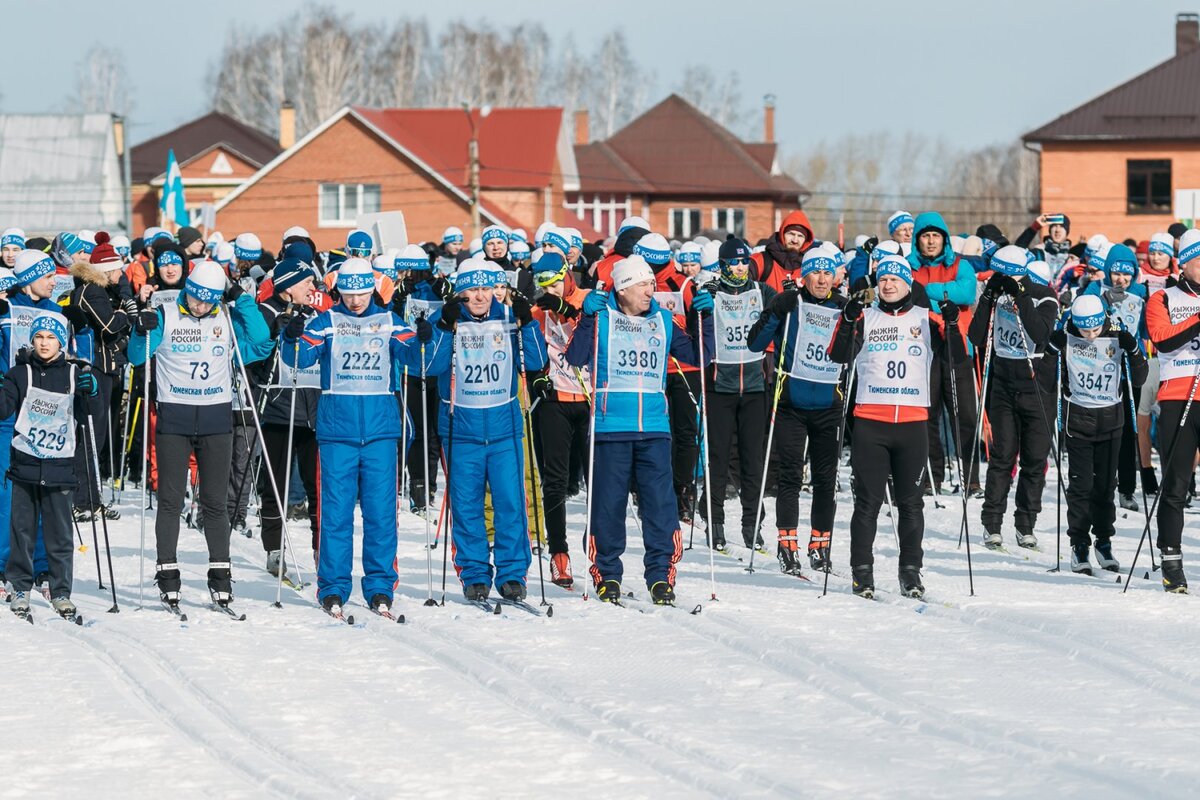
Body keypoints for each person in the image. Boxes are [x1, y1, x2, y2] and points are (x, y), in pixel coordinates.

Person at [564, 254, 714, 605]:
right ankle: (607, 573)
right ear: (624, 287)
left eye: (652, 283)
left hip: (654, 430)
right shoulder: (602, 316)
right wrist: (586, 317)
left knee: (661, 506)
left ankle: (661, 575)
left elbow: (698, 355)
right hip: (609, 427)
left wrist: (702, 318)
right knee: (608, 507)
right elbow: (574, 358)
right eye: (644, 284)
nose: (652, 290)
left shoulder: (663, 319)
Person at [282, 257, 422, 615]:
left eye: (361, 292)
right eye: (348, 293)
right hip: (337, 434)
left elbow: (412, 356)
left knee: (380, 515)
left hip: (379, 433)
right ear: (338, 290)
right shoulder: (326, 322)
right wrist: (290, 336)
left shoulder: (389, 320)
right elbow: (298, 359)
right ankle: (332, 586)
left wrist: (425, 335)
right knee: (336, 514)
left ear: (372, 289)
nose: (356, 300)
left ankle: (379, 586)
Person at [128, 261, 270, 610]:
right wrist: (139, 329)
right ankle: (168, 576)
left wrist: (239, 297)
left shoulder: (226, 318)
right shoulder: (167, 315)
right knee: (171, 501)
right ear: (187, 290)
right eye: (195, 299)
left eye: (208, 301)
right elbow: (136, 356)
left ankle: (220, 577)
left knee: (215, 503)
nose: (200, 307)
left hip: (215, 421)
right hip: (174, 420)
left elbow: (263, 342)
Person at [829, 255, 963, 599]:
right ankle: (862, 572)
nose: (888, 285)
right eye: (883, 279)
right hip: (871, 423)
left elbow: (957, 359)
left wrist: (952, 326)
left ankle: (910, 572)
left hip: (912, 424)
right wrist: (846, 322)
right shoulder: (865, 317)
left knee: (911, 504)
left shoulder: (925, 318)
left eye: (895, 279)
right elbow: (838, 355)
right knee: (867, 504)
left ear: (907, 284)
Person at [425, 258, 547, 602]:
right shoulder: (446, 320)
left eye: (485, 289)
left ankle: (512, 574)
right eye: (471, 290)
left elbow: (536, 361)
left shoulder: (509, 318)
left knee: (511, 503)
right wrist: (444, 329)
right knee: (466, 506)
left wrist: (527, 323)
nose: (479, 297)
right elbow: (431, 367)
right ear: (459, 291)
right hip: (460, 429)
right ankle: (475, 572)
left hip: (504, 428)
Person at [747, 247, 846, 574]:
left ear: (834, 276)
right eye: (815, 272)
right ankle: (786, 544)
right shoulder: (790, 303)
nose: (821, 279)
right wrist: (774, 310)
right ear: (804, 275)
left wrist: (853, 318)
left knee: (825, 479)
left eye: (827, 273)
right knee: (789, 475)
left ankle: (820, 545)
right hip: (791, 403)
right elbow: (755, 343)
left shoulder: (842, 307)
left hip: (828, 407)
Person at [0, 316, 97, 619]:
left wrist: (91, 392)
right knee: (22, 532)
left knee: (59, 535)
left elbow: (87, 416)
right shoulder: (20, 373)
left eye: (50, 337)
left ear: (62, 342)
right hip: (25, 465)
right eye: (39, 336)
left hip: (59, 467)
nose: (44, 342)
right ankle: (19, 587)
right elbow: (5, 409)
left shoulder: (72, 373)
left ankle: (60, 591)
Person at [967, 245, 1059, 549]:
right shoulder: (995, 294)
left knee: (1034, 459)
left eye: (1004, 274)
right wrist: (988, 297)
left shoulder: (1044, 295)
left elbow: (1040, 335)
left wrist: (1019, 295)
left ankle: (1025, 523)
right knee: (1003, 456)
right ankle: (991, 522)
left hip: (1038, 388)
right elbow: (977, 337)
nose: (999, 278)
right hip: (1004, 386)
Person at [1048, 294, 1147, 574]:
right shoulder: (1068, 336)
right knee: (1080, 487)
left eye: (1094, 329)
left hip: (1111, 421)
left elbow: (1138, 378)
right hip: (1078, 420)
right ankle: (1079, 544)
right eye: (1083, 330)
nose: (1090, 336)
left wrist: (1134, 348)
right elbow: (1045, 377)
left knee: (1105, 487)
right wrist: (1051, 348)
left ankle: (1103, 541)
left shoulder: (1115, 335)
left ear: (1102, 320)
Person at [0, 248, 72, 590]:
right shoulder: (7, 309)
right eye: (46, 276)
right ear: (29, 279)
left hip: (47, 418)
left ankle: (42, 565)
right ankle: (5, 563)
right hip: (9, 413)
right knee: (11, 494)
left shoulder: (55, 311)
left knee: (45, 491)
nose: (53, 280)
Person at [699, 238, 775, 552]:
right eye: (734, 262)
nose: (741, 267)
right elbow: (695, 315)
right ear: (723, 264)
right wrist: (701, 305)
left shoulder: (762, 292)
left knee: (752, 458)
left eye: (744, 262)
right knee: (717, 457)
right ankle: (714, 522)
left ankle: (752, 523)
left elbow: (780, 310)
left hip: (755, 385)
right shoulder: (712, 292)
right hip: (721, 385)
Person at [247, 256, 321, 578]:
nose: (313, 287)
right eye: (307, 282)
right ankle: (274, 550)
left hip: (314, 414)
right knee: (274, 485)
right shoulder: (265, 312)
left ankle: (323, 549)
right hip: (278, 410)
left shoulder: (317, 314)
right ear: (289, 284)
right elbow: (255, 362)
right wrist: (279, 333)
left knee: (317, 487)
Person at [907, 211, 980, 497]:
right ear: (917, 240)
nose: (931, 241)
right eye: (925, 235)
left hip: (956, 344)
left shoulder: (960, 265)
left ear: (945, 239)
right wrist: (939, 302)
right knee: (927, 415)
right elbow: (910, 298)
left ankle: (971, 479)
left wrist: (930, 293)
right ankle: (930, 478)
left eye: (936, 235)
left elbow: (966, 292)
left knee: (964, 415)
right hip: (922, 347)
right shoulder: (910, 267)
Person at [1144, 228, 1200, 593]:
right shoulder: (1163, 297)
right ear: (1186, 262)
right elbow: (1162, 339)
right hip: (1180, 395)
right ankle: (1171, 561)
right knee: (1177, 483)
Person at [529, 252, 589, 587]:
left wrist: (567, 311)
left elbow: (595, 329)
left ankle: (598, 549)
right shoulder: (539, 311)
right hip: (555, 401)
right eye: (542, 282)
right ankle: (559, 555)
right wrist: (536, 375)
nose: (549, 288)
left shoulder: (587, 298)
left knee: (597, 480)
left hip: (590, 399)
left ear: (567, 275)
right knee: (554, 481)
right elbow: (532, 347)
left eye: (554, 280)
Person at [66, 231, 133, 521]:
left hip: (103, 366)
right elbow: (109, 326)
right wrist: (126, 313)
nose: (122, 274)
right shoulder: (92, 290)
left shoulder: (99, 289)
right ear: (106, 270)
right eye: (118, 269)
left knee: (97, 436)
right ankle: (84, 500)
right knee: (92, 436)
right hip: (94, 368)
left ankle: (92, 498)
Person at [1082, 243, 1150, 512]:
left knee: (1127, 431)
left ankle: (1127, 489)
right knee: (1103, 429)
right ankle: (1102, 484)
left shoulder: (1140, 295)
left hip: (1128, 369)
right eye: (1115, 274)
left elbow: (1145, 331)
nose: (1120, 280)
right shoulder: (1095, 291)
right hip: (1099, 369)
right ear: (1108, 272)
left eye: (1126, 274)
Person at [750, 210, 813, 293]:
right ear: (782, 235)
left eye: (800, 236)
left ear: (806, 241)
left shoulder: (809, 267)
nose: (795, 240)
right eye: (791, 234)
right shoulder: (760, 261)